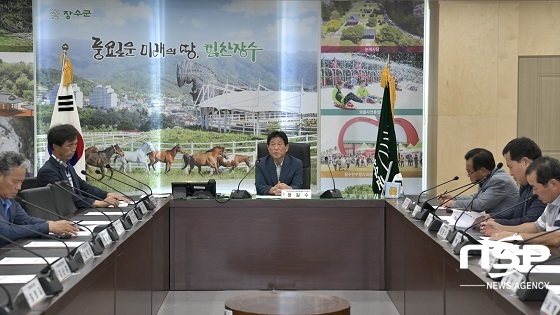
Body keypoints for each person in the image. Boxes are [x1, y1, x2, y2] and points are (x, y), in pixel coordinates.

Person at [37, 124, 130, 209]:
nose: (74, 149)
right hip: (62, 218)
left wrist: (107, 195)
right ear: (56, 147)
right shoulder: (48, 171)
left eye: (75, 144)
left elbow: (84, 187)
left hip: (76, 212)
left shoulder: (67, 166)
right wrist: (98, 203)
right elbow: (66, 197)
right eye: (70, 145)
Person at [0, 151, 78, 246]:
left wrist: (52, 224)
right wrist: (47, 227)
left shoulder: (10, 199)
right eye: (15, 182)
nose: (19, 187)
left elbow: (25, 220)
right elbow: (4, 232)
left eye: (21, 182)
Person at [482, 157, 560, 246]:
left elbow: (556, 238)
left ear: (553, 184)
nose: (534, 193)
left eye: (535, 187)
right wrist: (501, 228)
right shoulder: (551, 202)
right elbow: (536, 227)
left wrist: (513, 236)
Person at [474, 137, 545, 226]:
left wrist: (494, 222)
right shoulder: (525, 184)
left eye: (511, 167)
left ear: (525, 162)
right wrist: (489, 217)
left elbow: (529, 222)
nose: (510, 173)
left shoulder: (543, 186)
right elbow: (516, 211)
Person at [439, 148, 518, 214]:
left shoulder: (499, 181)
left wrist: (453, 204)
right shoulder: (489, 175)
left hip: (504, 225)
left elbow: (480, 204)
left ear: (482, 171)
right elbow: (477, 196)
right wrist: (455, 198)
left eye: (469, 172)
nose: (468, 175)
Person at [255, 131, 303, 195]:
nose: (276, 148)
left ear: (286, 147)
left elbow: (297, 186)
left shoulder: (297, 163)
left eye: (279, 144)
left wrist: (288, 189)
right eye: (272, 144)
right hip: (268, 203)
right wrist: (273, 190)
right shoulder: (260, 163)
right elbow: (259, 186)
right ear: (268, 148)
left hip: (290, 202)